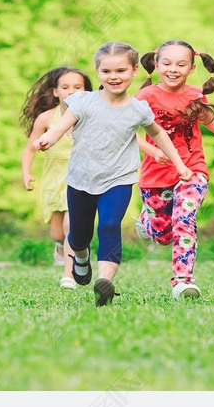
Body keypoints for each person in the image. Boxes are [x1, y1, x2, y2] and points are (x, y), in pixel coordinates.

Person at [33, 42, 192, 307]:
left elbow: (158, 134)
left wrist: (180, 164)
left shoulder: (138, 109)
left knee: (109, 226)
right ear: (97, 72)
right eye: (107, 71)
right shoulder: (82, 101)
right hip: (81, 179)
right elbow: (60, 126)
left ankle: (105, 282)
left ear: (133, 71)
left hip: (119, 179)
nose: (114, 76)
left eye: (121, 70)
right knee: (80, 235)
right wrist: (48, 138)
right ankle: (81, 258)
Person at [134, 40, 214, 299]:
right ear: (156, 64)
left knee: (184, 220)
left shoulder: (195, 95)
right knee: (163, 235)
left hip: (192, 168)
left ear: (192, 67)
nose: (173, 69)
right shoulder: (145, 97)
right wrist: (153, 151)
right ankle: (147, 222)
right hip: (155, 174)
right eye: (166, 63)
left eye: (181, 64)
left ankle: (182, 281)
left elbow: (210, 120)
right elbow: (126, 131)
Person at [20, 66, 93, 287]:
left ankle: (68, 275)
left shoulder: (90, 116)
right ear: (55, 92)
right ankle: (60, 247)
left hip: (80, 179)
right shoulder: (46, 118)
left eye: (77, 87)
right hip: (54, 180)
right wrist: (26, 173)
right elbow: (30, 148)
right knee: (58, 234)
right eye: (65, 87)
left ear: (86, 92)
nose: (71, 91)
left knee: (73, 226)